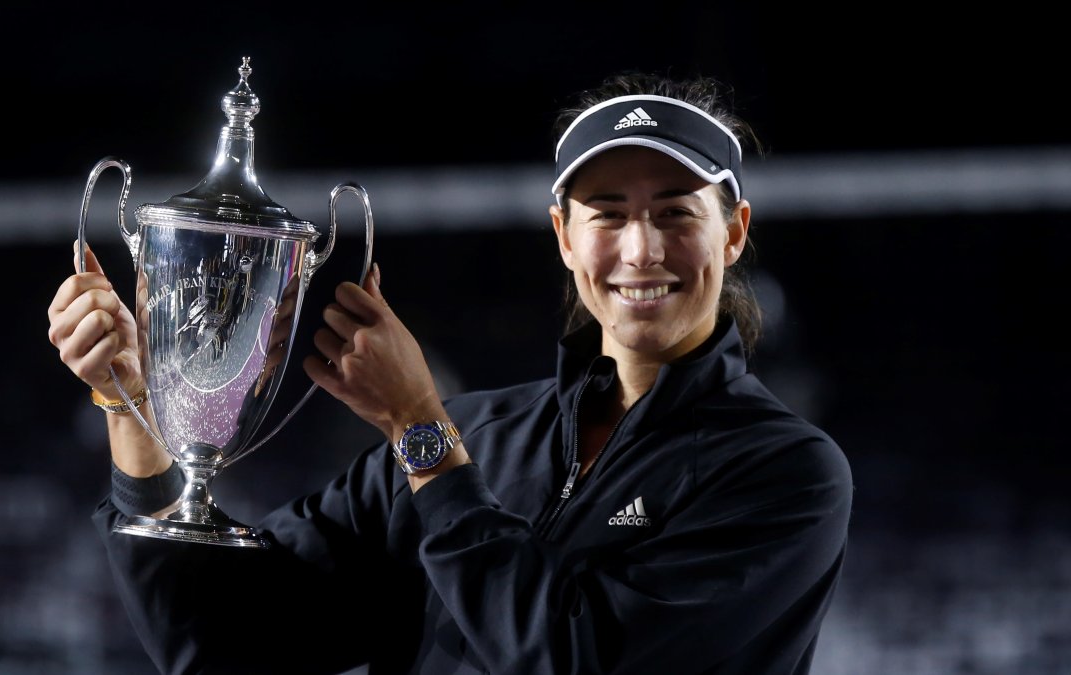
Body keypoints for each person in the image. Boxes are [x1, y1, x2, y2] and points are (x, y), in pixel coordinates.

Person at [46, 70, 854, 675]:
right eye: (607, 213)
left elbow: (573, 659)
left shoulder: (786, 473)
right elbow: (215, 639)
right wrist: (137, 413)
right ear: (566, 237)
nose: (641, 249)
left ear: (735, 231)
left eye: (677, 211)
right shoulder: (482, 435)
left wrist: (418, 432)